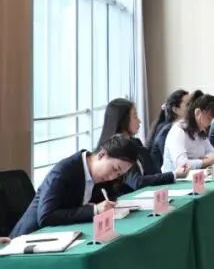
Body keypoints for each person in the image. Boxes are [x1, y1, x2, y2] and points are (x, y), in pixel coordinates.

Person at [9, 135, 141, 237]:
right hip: (30, 239)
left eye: (119, 174)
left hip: (65, 235)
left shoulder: (102, 176)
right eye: (115, 169)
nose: (113, 176)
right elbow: (46, 217)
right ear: (102, 155)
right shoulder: (64, 171)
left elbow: (107, 198)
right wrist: (95, 210)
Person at [99, 98, 186, 191]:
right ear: (123, 120)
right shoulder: (116, 150)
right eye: (135, 116)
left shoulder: (136, 143)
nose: (139, 121)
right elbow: (137, 182)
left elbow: (154, 173)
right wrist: (174, 174)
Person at [162, 91, 214, 172]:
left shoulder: (200, 130)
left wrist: (211, 157)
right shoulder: (178, 131)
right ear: (198, 113)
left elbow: (211, 152)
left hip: (196, 175)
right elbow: (182, 165)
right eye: (209, 118)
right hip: (176, 179)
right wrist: (208, 161)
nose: (210, 123)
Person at [148, 89, 189, 170]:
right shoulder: (167, 131)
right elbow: (178, 163)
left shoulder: (186, 128)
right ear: (176, 110)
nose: (192, 107)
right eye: (188, 104)